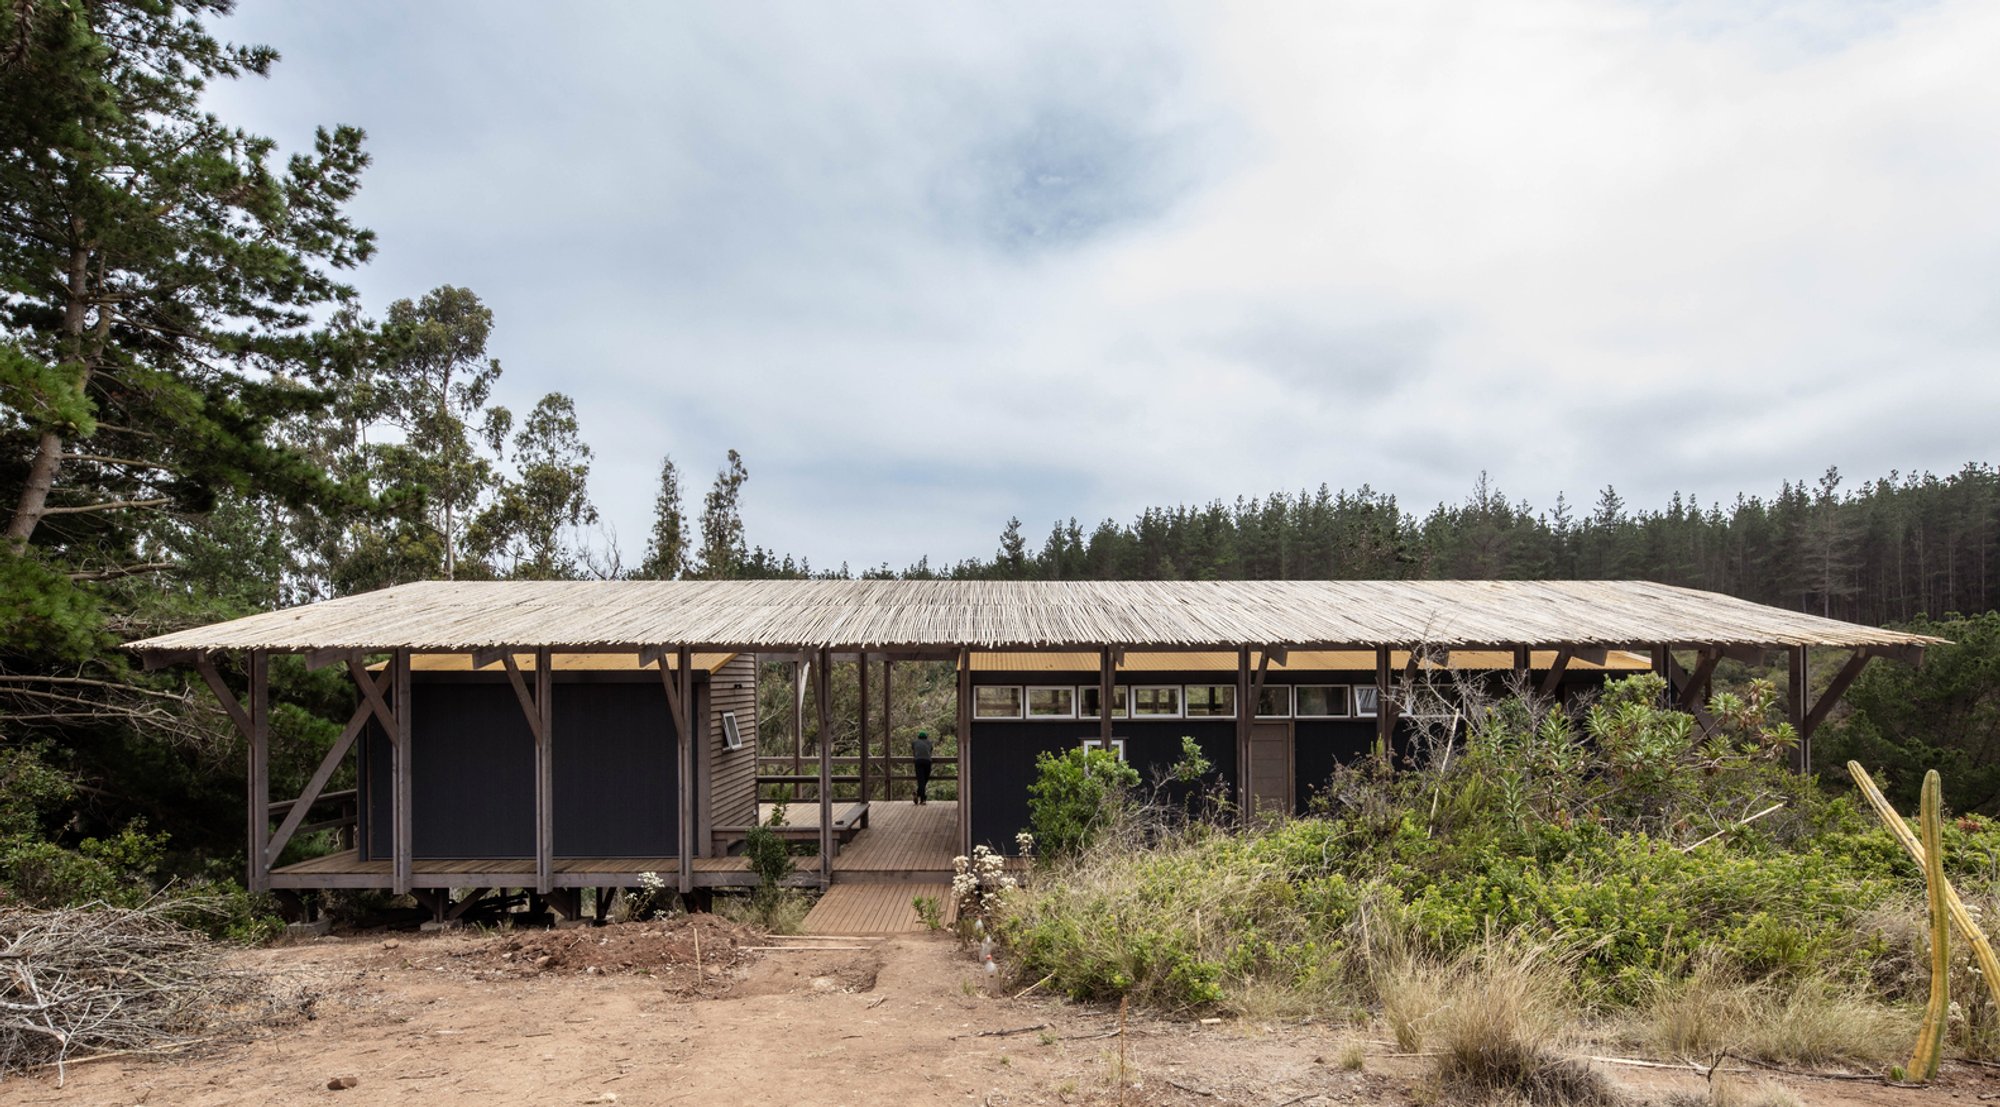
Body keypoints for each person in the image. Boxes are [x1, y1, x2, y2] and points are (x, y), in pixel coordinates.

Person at [911, 730, 933, 805]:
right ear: (926, 737)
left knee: (921, 780)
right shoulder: (929, 742)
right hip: (927, 761)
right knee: (925, 779)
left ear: (918, 737)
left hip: (918, 761)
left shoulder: (914, 742)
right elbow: (930, 750)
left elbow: (913, 750)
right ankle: (922, 798)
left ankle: (918, 794)